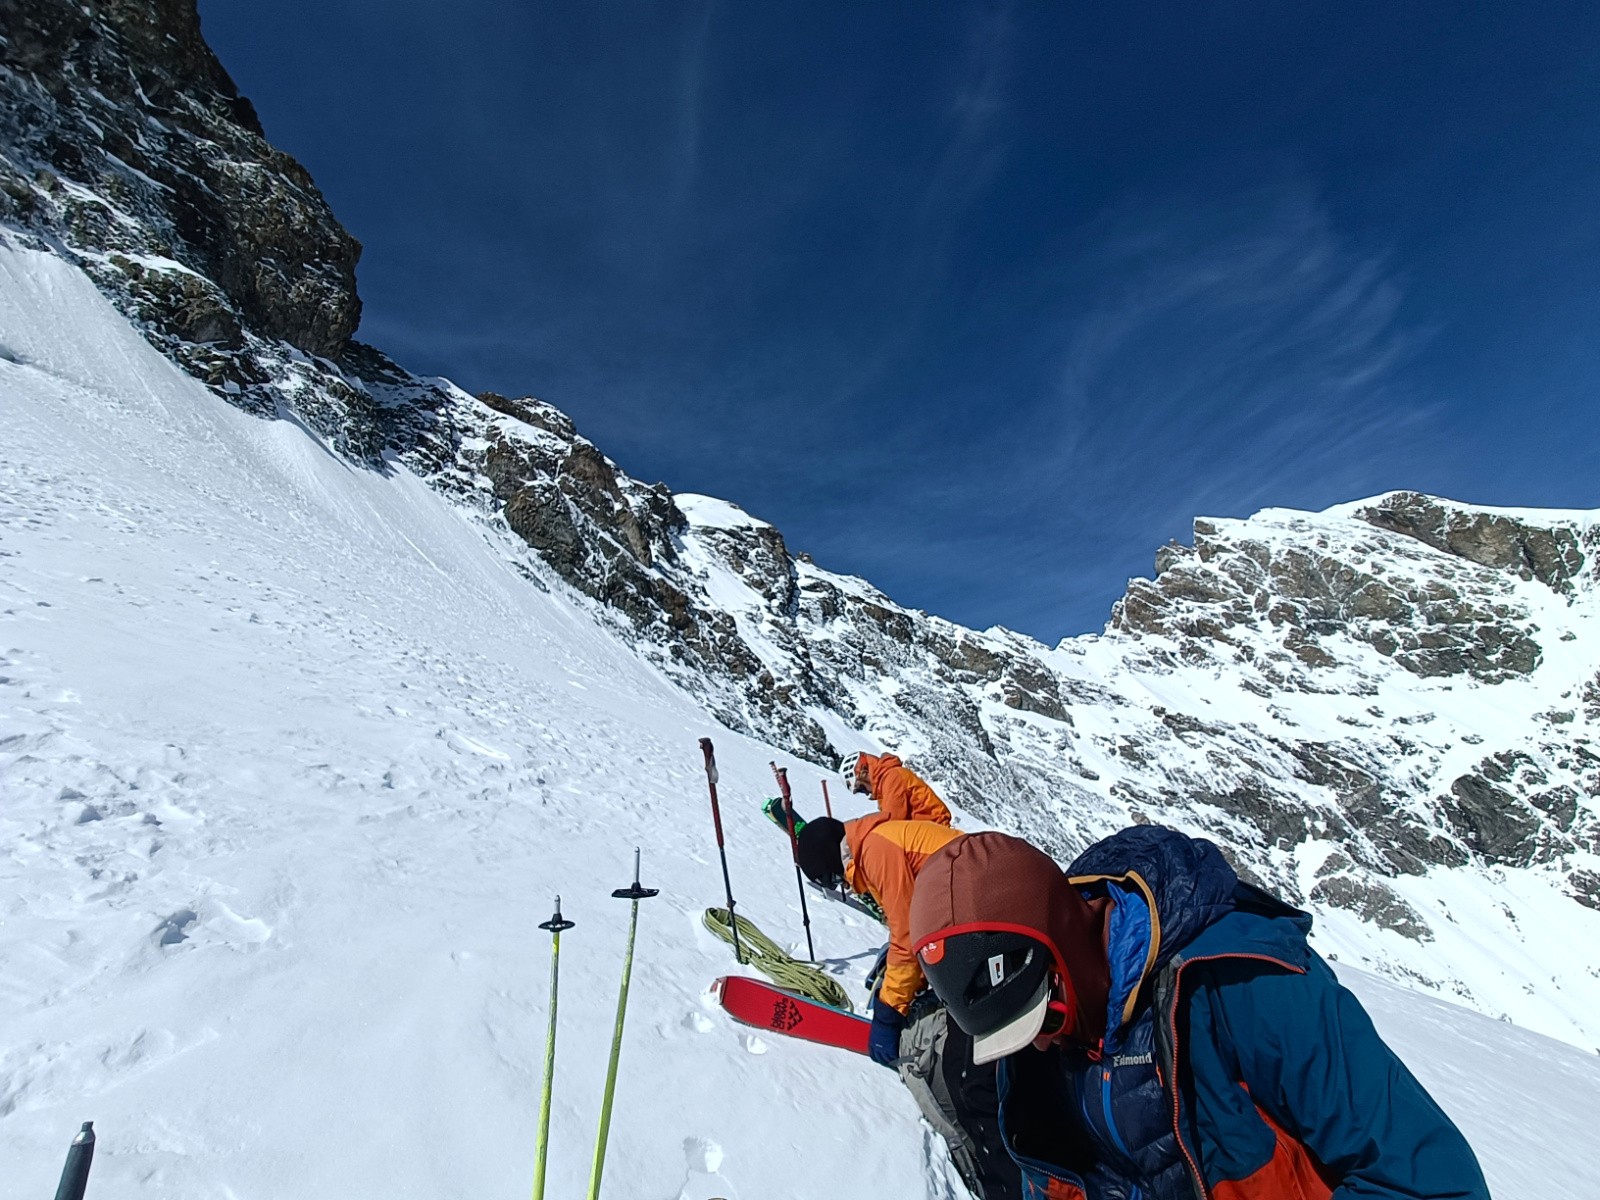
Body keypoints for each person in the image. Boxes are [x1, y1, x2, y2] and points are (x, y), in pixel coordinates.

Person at [907, 825, 1490, 1200]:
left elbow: (1434, 1186)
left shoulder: (1240, 981)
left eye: (1042, 1018)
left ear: (1066, 944)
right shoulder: (1040, 1048)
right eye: (1010, 1038)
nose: (1035, 1046)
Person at [797, 813, 1026, 1200]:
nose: (841, 889)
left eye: (832, 881)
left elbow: (908, 936)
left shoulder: (876, 851)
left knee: (970, 1071)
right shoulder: (873, 841)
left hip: (994, 910)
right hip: (989, 897)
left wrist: (890, 1011)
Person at [840, 750, 952, 825]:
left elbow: (892, 822)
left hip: (934, 831)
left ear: (864, 773)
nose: (866, 793)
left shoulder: (892, 778)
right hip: (927, 830)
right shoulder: (885, 784)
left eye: (861, 788)